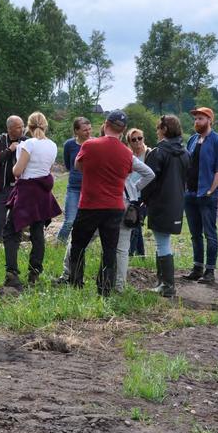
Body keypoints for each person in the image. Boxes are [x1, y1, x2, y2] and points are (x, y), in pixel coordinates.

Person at [67, 110, 134, 296]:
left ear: (105, 124)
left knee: (79, 245)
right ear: (124, 130)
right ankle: (104, 289)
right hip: (114, 206)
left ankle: (75, 284)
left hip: (90, 203)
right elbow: (127, 174)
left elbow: (78, 166)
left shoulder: (90, 145)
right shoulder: (127, 153)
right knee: (109, 249)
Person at [3, 112, 61, 288]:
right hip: (42, 192)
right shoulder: (52, 145)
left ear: (28, 126)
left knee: (11, 232)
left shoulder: (27, 144)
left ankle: (12, 273)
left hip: (26, 191)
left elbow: (17, 171)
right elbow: (47, 169)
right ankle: (34, 272)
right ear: (45, 125)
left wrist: (14, 165)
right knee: (37, 233)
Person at [141, 115, 190, 297]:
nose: (156, 131)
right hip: (177, 202)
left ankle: (167, 285)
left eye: (158, 128)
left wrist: (142, 198)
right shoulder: (185, 153)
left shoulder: (158, 152)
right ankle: (163, 282)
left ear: (164, 129)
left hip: (160, 202)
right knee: (164, 242)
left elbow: (149, 180)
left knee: (162, 243)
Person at [182, 107, 218, 284]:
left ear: (210, 120)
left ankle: (209, 272)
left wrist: (211, 190)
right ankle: (197, 268)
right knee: (195, 234)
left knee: (209, 233)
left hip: (207, 195)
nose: (197, 122)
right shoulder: (193, 140)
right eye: (195, 119)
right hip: (190, 194)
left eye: (201, 119)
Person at [113, 145, 155, 293]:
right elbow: (149, 174)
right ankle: (119, 286)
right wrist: (134, 187)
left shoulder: (102, 153)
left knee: (85, 239)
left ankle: (69, 274)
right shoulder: (127, 155)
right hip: (128, 202)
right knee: (122, 248)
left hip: (108, 200)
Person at [55, 117, 91, 283]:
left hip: (89, 188)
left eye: (89, 128)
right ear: (76, 131)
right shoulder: (70, 144)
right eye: (84, 129)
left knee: (84, 222)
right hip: (73, 187)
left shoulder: (94, 144)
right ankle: (59, 245)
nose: (88, 131)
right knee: (69, 220)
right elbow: (70, 166)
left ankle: (78, 248)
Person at [0, 115, 25, 245]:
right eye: (18, 127)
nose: (22, 129)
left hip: (20, 189)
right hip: (1, 188)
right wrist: (9, 150)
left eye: (22, 126)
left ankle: (14, 249)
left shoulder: (26, 141)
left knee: (18, 222)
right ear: (10, 129)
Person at [126, 128, 152, 257]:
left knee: (135, 226)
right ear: (129, 142)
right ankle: (141, 255)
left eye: (139, 138)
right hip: (131, 195)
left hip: (144, 195)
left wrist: (137, 187)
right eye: (133, 139)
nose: (137, 141)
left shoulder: (149, 154)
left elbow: (152, 174)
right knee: (136, 224)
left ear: (144, 138)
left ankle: (130, 254)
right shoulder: (128, 155)